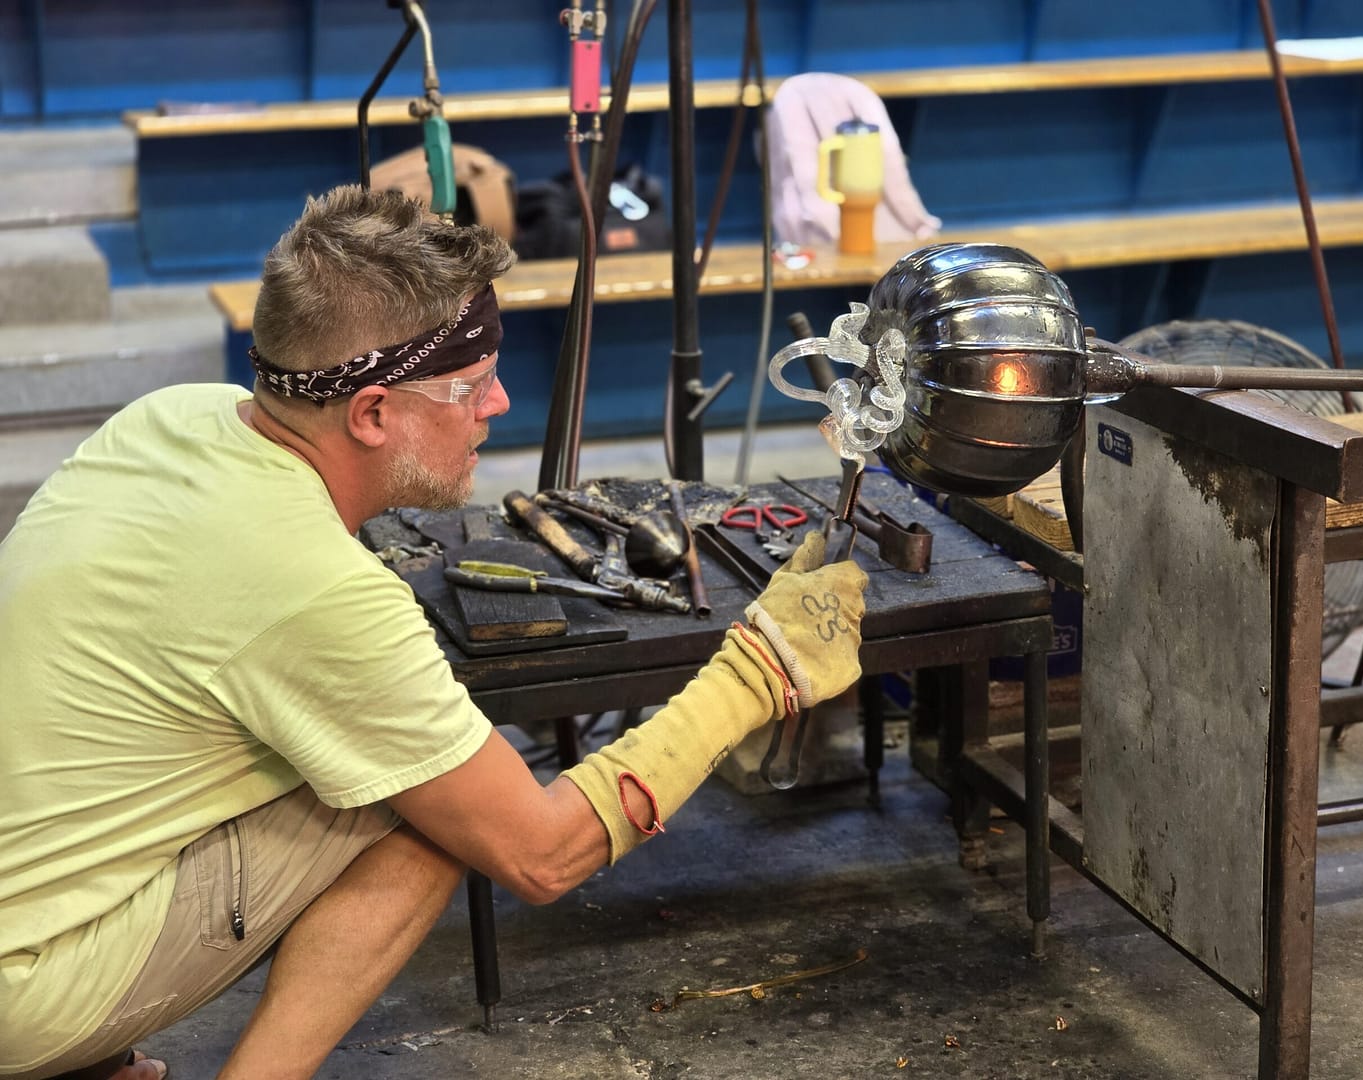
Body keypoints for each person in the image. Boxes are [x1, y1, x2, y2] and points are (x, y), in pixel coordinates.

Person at [0, 184, 868, 1080]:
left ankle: (92, 1060)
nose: (498, 402)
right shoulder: (313, 589)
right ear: (373, 413)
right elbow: (541, 853)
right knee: (439, 813)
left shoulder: (172, 416)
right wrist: (759, 671)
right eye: (470, 386)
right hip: (22, 988)